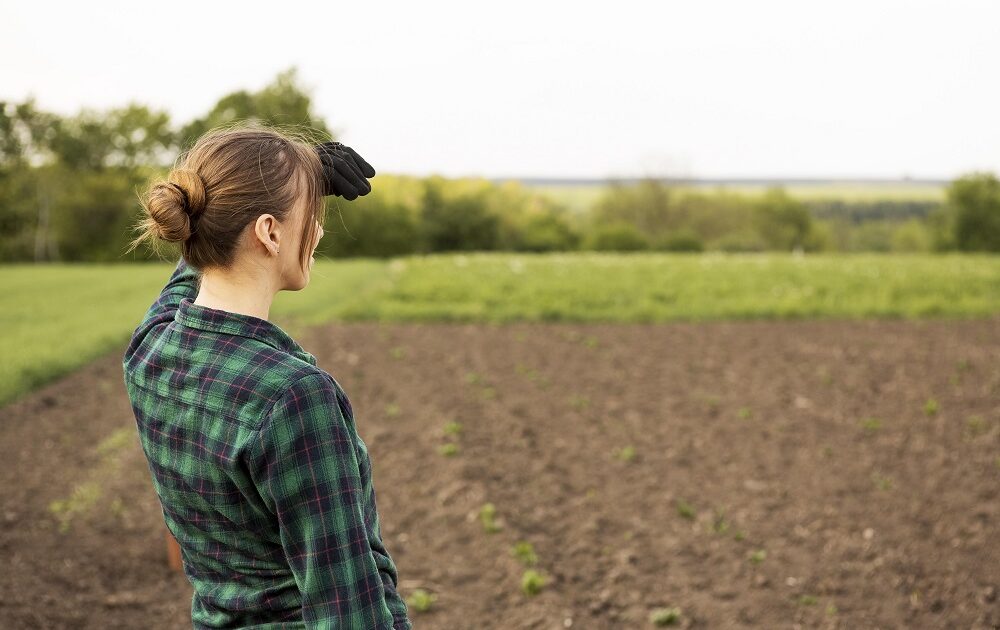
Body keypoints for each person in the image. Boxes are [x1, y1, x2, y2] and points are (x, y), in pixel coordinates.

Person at [121, 123, 412, 629]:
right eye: (311, 218)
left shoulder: (151, 351)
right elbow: (348, 609)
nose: (317, 232)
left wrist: (295, 174)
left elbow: (194, 264)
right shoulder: (293, 398)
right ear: (269, 232)